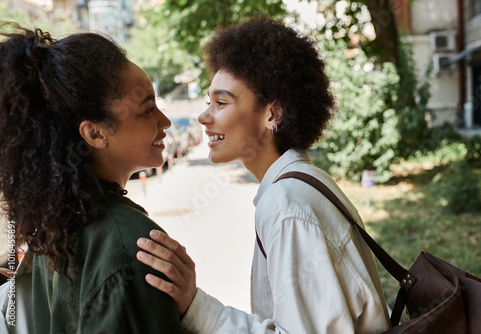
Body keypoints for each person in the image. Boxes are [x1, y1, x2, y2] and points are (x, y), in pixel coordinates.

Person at [136, 16, 391, 333]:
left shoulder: (287, 206)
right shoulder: (301, 183)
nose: (203, 116)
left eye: (221, 102)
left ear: (273, 113)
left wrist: (196, 307)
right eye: (208, 102)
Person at [0, 25, 183, 333]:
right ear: (95, 133)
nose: (164, 122)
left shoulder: (57, 230)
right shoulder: (131, 247)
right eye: (148, 109)